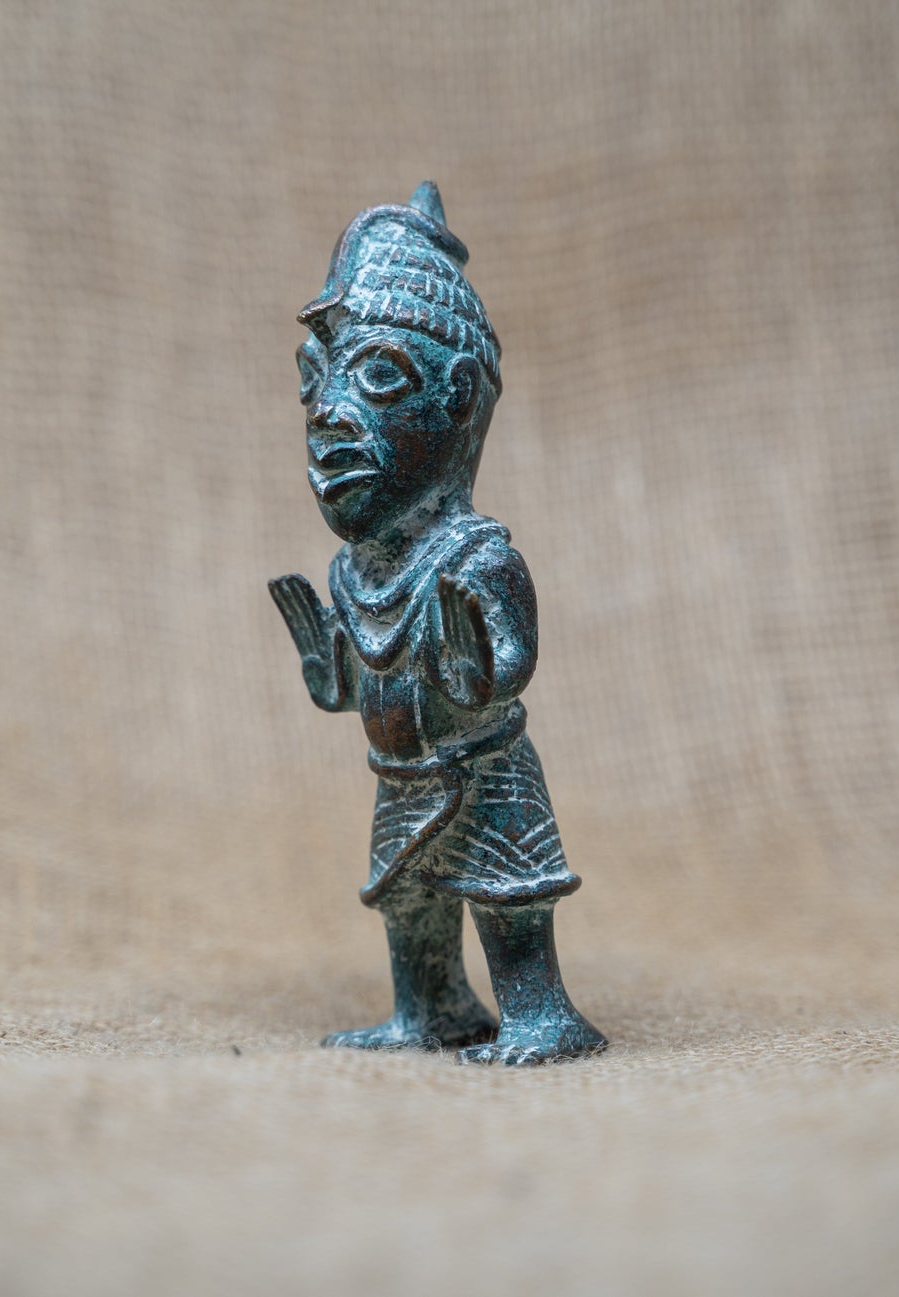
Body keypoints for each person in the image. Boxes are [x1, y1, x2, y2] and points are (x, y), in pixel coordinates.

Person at [268, 181, 606, 1065]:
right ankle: (430, 1007)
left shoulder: (476, 557)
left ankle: (540, 1011)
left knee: (506, 895)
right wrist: (332, 676)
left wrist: (482, 669)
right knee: (407, 899)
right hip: (401, 776)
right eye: (315, 381)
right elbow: (364, 676)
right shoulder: (357, 570)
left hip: (482, 771)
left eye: (377, 376)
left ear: (458, 397)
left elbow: (510, 661)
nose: (327, 414)